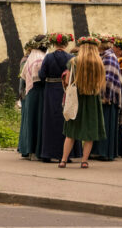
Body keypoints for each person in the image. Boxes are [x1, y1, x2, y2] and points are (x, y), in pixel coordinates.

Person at [58, 36, 106, 168]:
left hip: (76, 99)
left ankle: (63, 160)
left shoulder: (74, 62)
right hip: (92, 100)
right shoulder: (98, 63)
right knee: (89, 134)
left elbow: (67, 81)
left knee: (71, 133)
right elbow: (101, 82)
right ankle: (84, 161)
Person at [36, 32, 78, 162]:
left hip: (50, 91)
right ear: (66, 44)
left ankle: (47, 154)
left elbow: (42, 75)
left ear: (54, 44)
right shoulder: (71, 57)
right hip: (66, 91)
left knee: (49, 121)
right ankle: (66, 155)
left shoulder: (48, 57)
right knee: (65, 120)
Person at [92, 35, 122, 161]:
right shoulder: (104, 56)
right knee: (102, 125)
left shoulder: (109, 57)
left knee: (106, 125)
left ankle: (104, 153)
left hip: (108, 97)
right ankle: (99, 152)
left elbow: (108, 80)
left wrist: (105, 96)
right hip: (103, 96)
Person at [16, 34, 47, 159]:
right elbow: (39, 77)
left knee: (30, 120)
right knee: (37, 120)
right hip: (38, 92)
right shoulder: (40, 58)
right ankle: (34, 150)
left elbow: (23, 77)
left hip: (30, 92)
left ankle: (28, 149)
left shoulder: (30, 58)